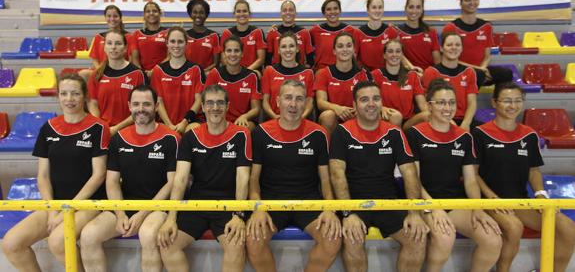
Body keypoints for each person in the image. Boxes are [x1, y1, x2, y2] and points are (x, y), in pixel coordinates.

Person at [2, 73, 108, 272]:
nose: (69, 99)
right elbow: (42, 175)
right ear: (58, 96)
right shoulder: (48, 128)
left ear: (84, 96)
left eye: (75, 93)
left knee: (59, 241)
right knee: (11, 244)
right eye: (64, 93)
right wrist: (52, 210)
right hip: (56, 204)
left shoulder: (98, 127)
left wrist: (68, 208)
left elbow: (99, 175)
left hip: (88, 203)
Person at [473, 81, 575, 272]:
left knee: (567, 227)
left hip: (520, 201)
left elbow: (533, 170)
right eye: (507, 101)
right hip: (489, 202)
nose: (513, 105)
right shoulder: (480, 133)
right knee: (514, 227)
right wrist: (491, 197)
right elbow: (472, 173)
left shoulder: (529, 135)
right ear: (494, 103)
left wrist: (540, 193)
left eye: (518, 100)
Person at [329, 80, 429, 272]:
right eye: (364, 100)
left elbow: (409, 172)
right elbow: (336, 174)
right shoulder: (342, 132)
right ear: (355, 105)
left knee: (417, 238)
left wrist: (414, 213)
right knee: (352, 239)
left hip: (388, 201)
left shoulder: (394, 133)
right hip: (354, 203)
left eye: (376, 98)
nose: (371, 103)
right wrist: (347, 214)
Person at [406, 79, 502, 272]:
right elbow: (413, 179)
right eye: (441, 103)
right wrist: (433, 208)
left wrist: (477, 208)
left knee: (493, 239)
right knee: (444, 237)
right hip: (424, 202)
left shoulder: (464, 137)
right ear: (429, 105)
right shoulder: (414, 134)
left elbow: (470, 180)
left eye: (451, 102)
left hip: (455, 203)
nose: (447, 108)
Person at [80, 85, 179, 272]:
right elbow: (112, 181)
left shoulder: (170, 138)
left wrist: (142, 213)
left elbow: (172, 183)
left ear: (156, 106)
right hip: (124, 205)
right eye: (136, 104)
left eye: (146, 104)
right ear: (129, 106)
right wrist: (120, 213)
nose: (141, 109)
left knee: (148, 234)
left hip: (158, 207)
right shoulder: (119, 139)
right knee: (88, 235)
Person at [246, 80, 341, 272]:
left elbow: (325, 180)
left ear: (305, 104)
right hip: (271, 203)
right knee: (253, 239)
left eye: (299, 99)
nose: (293, 104)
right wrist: (258, 208)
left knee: (333, 239)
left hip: (308, 202)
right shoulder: (260, 133)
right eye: (288, 98)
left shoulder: (319, 134)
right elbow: (253, 179)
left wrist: (330, 209)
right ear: (278, 101)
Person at [157, 84, 251, 272]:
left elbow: (243, 178)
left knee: (236, 246)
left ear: (227, 106)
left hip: (228, 205)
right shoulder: (191, 137)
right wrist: (171, 217)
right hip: (196, 204)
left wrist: (239, 215)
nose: (215, 107)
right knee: (167, 244)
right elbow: (181, 179)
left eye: (219, 103)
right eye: (210, 103)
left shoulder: (241, 135)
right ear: (203, 107)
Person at [315, 32, 400, 134]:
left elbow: (373, 97)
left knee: (395, 116)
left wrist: (382, 108)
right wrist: (337, 108)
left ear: (354, 49)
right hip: (336, 115)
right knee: (328, 116)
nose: (345, 49)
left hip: (360, 114)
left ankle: (384, 147)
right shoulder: (323, 73)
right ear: (334, 51)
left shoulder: (363, 73)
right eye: (340, 46)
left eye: (349, 45)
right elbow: (320, 102)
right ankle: (329, 149)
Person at [442, 0, 512, 86]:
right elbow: (450, 58)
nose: (472, 2)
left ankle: (497, 100)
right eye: (468, 0)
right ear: (460, 3)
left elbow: (487, 56)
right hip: (459, 69)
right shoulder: (451, 27)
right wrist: (480, 70)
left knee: (506, 73)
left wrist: (483, 68)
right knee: (477, 75)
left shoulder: (486, 26)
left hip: (481, 70)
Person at [88, 29, 147, 135]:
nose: (113, 47)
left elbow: (141, 108)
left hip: (132, 130)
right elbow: (93, 103)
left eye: (118, 43)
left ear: (125, 48)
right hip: (104, 131)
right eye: (109, 43)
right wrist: (100, 125)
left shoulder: (138, 74)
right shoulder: (96, 75)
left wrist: (116, 128)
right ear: (104, 48)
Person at [150, 27, 205, 134]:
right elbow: (158, 101)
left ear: (186, 44)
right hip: (166, 122)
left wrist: (184, 122)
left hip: (190, 122)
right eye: (172, 41)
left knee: (192, 131)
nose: (176, 45)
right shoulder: (158, 70)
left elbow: (199, 100)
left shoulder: (196, 69)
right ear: (167, 44)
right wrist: (169, 125)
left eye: (180, 42)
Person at [422, 32, 478, 131]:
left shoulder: (469, 72)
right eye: (449, 45)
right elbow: (428, 103)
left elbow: (472, 102)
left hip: (464, 120)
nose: (454, 47)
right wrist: (447, 121)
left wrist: (466, 123)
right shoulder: (431, 72)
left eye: (457, 45)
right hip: (439, 118)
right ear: (442, 48)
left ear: (462, 48)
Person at [206, 36, 262, 131]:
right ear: (223, 54)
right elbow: (207, 103)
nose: (233, 54)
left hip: (242, 121)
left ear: (242, 54)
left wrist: (245, 116)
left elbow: (256, 108)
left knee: (244, 129)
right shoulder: (215, 73)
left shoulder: (252, 76)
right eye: (229, 51)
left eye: (236, 51)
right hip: (218, 119)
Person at [371, 39, 427, 129]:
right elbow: (370, 99)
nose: (394, 55)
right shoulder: (376, 75)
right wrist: (381, 108)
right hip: (386, 117)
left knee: (429, 114)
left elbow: (423, 105)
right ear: (384, 55)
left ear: (402, 55)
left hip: (408, 122)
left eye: (398, 51)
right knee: (396, 116)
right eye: (390, 51)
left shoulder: (412, 75)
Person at [261, 32, 314, 120]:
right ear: (278, 50)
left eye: (291, 46)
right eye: (283, 46)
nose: (288, 50)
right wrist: (275, 117)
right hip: (275, 119)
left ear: (297, 49)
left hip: (300, 120)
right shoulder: (269, 71)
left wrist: (300, 117)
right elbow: (265, 101)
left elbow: (309, 102)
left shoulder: (308, 73)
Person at [395, 0, 441, 72]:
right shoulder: (397, 32)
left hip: (428, 77)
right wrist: (413, 69)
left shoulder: (431, 32)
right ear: (405, 9)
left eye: (418, 7)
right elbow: (397, 56)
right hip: (406, 76)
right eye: (411, 7)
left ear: (422, 10)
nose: (414, 11)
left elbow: (438, 63)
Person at [353, 0, 398, 71]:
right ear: (368, 10)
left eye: (380, 7)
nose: (377, 10)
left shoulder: (391, 31)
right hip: (365, 78)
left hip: (386, 76)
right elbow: (353, 58)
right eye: (374, 7)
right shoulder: (358, 33)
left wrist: (411, 67)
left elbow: (400, 56)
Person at [309, 0, 355, 70]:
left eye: (335, 8)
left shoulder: (351, 30)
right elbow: (307, 51)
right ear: (324, 13)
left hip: (344, 71)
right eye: (328, 9)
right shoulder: (315, 31)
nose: (332, 12)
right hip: (321, 72)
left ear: (340, 11)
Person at [220, 0, 266, 71]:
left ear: (249, 14)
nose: (242, 14)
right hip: (232, 72)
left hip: (251, 71)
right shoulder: (227, 33)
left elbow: (261, 59)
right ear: (234, 14)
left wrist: (245, 73)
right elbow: (223, 59)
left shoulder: (257, 32)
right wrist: (236, 72)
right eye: (238, 11)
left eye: (244, 11)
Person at [266, 0, 314, 67]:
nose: (287, 13)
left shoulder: (304, 33)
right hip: (277, 73)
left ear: (295, 13)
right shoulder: (273, 32)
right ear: (281, 13)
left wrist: (304, 71)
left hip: (299, 73)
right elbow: (267, 60)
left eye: (291, 10)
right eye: (284, 10)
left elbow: (310, 60)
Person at [88, 5, 136, 70]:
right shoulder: (98, 37)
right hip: (102, 73)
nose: (112, 19)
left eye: (115, 16)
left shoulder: (130, 37)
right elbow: (95, 60)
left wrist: (125, 71)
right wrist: (100, 72)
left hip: (123, 71)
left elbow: (132, 59)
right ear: (105, 18)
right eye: (109, 16)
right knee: (84, 73)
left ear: (120, 18)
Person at [131, 1, 168, 74]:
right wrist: (142, 73)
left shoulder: (168, 33)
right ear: (144, 15)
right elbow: (135, 59)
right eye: (148, 11)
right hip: (143, 74)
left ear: (160, 14)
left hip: (163, 73)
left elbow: (170, 56)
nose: (151, 13)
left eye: (154, 11)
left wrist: (154, 71)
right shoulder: (136, 34)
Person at [184, 0, 221, 71]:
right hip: (187, 78)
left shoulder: (214, 36)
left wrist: (201, 73)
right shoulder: (184, 35)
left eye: (201, 12)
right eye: (195, 12)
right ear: (190, 14)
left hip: (207, 77)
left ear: (206, 14)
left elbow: (216, 63)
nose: (198, 15)